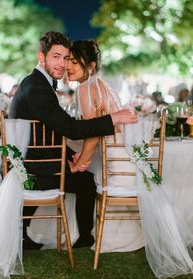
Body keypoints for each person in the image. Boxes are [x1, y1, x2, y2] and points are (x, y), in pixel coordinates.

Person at [65, 40, 193, 278]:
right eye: (67, 61)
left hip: (116, 172)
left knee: (78, 167)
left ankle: (82, 233)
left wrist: (81, 160)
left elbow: (94, 132)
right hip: (128, 167)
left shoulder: (86, 88)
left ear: (90, 66)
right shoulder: (103, 85)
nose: (68, 66)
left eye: (74, 62)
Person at [9, 31, 137, 250]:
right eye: (57, 57)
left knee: (83, 176)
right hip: (34, 167)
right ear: (42, 57)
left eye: (67, 58)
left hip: (33, 161)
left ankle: (23, 232)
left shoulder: (36, 83)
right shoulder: (39, 88)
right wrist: (113, 118)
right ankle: (82, 236)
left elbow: (52, 132)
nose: (63, 64)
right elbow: (70, 129)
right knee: (86, 182)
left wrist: (70, 157)